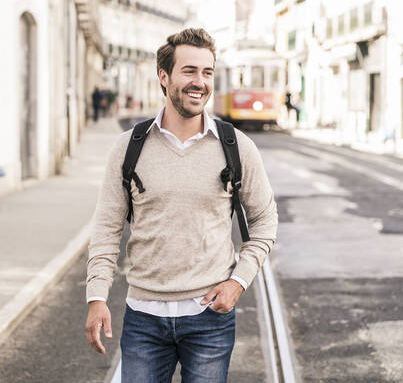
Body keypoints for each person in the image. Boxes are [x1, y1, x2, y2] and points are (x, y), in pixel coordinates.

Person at [85, 28, 278, 383]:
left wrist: (238, 282)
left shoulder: (238, 146)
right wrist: (97, 295)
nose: (200, 82)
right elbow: (107, 227)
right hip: (143, 318)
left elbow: (265, 220)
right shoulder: (130, 147)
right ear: (164, 76)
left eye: (207, 73)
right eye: (189, 71)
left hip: (210, 320)